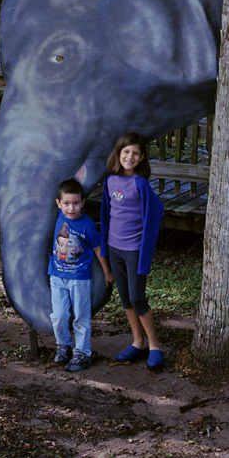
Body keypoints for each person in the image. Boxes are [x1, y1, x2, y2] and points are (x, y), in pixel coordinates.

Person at [100, 133, 165, 371]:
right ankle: (138, 342)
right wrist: (106, 250)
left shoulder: (140, 184)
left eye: (135, 153)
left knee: (138, 297)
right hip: (115, 247)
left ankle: (155, 345)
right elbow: (106, 216)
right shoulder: (110, 181)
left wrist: (146, 244)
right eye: (126, 152)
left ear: (142, 158)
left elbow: (157, 210)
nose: (130, 157)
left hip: (135, 249)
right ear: (118, 154)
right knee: (125, 296)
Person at [49, 179, 114, 372]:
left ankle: (82, 352)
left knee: (81, 316)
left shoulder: (87, 225)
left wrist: (107, 271)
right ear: (58, 203)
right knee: (59, 315)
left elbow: (97, 248)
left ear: (83, 202)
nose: (71, 208)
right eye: (66, 203)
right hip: (57, 275)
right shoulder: (57, 218)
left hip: (80, 278)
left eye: (76, 203)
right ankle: (64, 345)